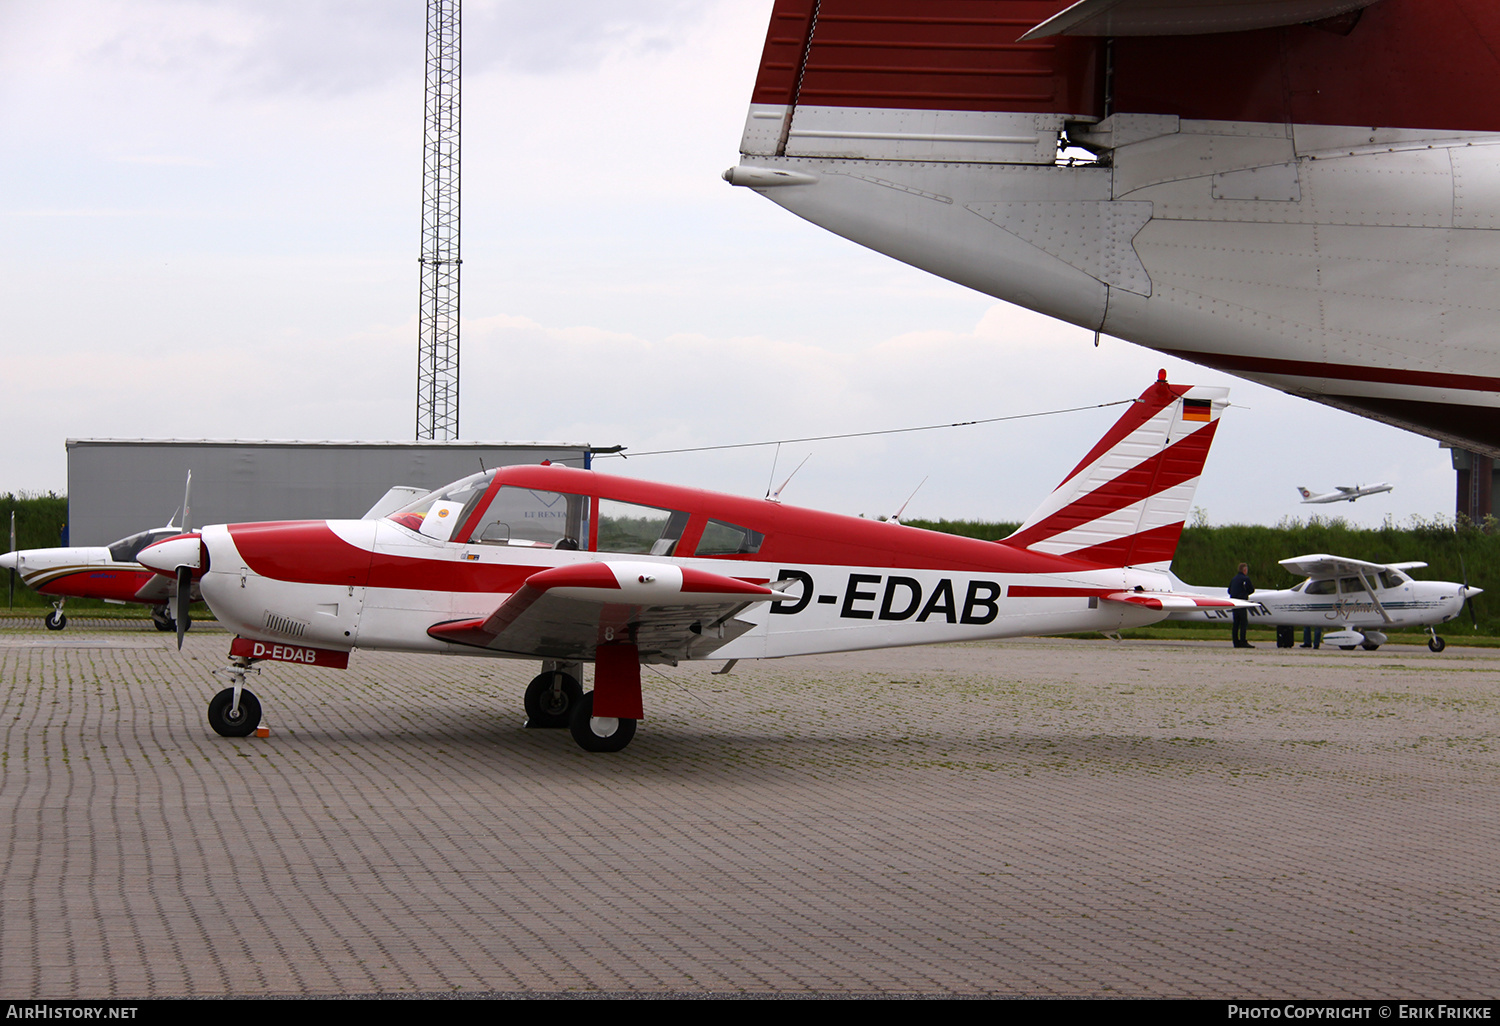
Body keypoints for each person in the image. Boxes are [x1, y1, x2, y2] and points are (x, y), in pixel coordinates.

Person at [1228, 562, 1255, 648]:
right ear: (1245, 570)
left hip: (1234, 603)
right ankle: (1243, 641)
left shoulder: (1234, 579)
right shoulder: (1245, 579)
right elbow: (1251, 589)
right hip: (1242, 603)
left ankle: (1235, 641)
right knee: (1243, 622)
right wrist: (1245, 593)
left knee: (1236, 623)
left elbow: (1229, 590)